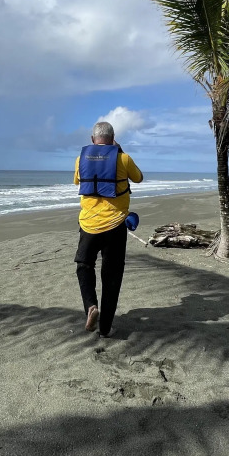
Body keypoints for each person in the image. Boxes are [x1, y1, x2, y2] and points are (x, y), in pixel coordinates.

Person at [73, 121, 143, 337]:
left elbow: (77, 181)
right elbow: (139, 178)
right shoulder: (123, 158)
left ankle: (91, 306)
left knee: (84, 265)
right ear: (113, 140)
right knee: (112, 276)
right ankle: (105, 329)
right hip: (115, 225)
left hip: (88, 224)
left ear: (92, 139)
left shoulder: (80, 159)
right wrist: (119, 151)